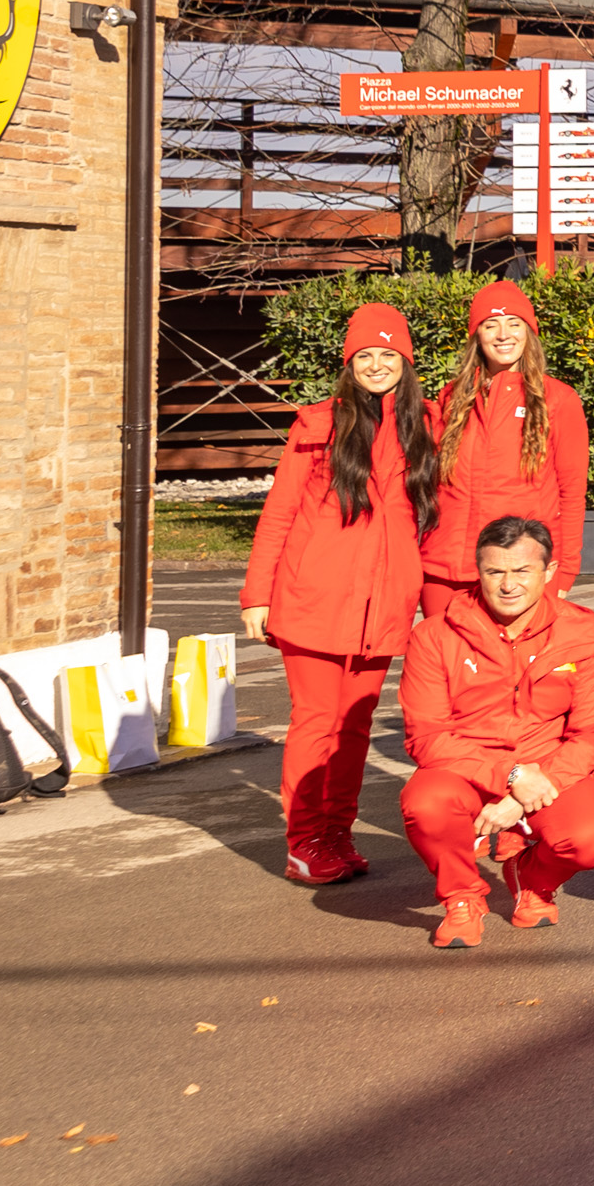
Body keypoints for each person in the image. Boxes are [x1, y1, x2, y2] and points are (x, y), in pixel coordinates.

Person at [240, 302, 437, 888]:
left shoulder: (423, 425)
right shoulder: (318, 424)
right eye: (365, 356)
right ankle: (304, 841)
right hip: (314, 600)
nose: (377, 365)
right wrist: (257, 595)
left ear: (405, 362)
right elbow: (278, 515)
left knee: (353, 726)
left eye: (388, 355)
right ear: (349, 365)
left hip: (383, 606)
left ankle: (337, 834)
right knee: (315, 723)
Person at [397, 516, 594, 948]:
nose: (507, 584)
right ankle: (462, 897)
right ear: (477, 572)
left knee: (592, 839)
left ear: (549, 573)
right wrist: (512, 777)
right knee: (425, 803)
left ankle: (532, 879)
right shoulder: (433, 637)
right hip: (466, 766)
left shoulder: (582, 631)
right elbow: (425, 736)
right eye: (494, 571)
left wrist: (527, 790)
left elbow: (593, 733)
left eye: (522, 571)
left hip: (548, 767)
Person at [418, 282, 585, 630]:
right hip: (444, 569)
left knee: (507, 678)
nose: (503, 334)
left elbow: (572, 493)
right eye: (491, 324)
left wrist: (564, 569)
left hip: (517, 569)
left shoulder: (559, 399)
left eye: (514, 323)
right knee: (445, 674)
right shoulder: (451, 397)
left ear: (529, 332)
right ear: (477, 335)